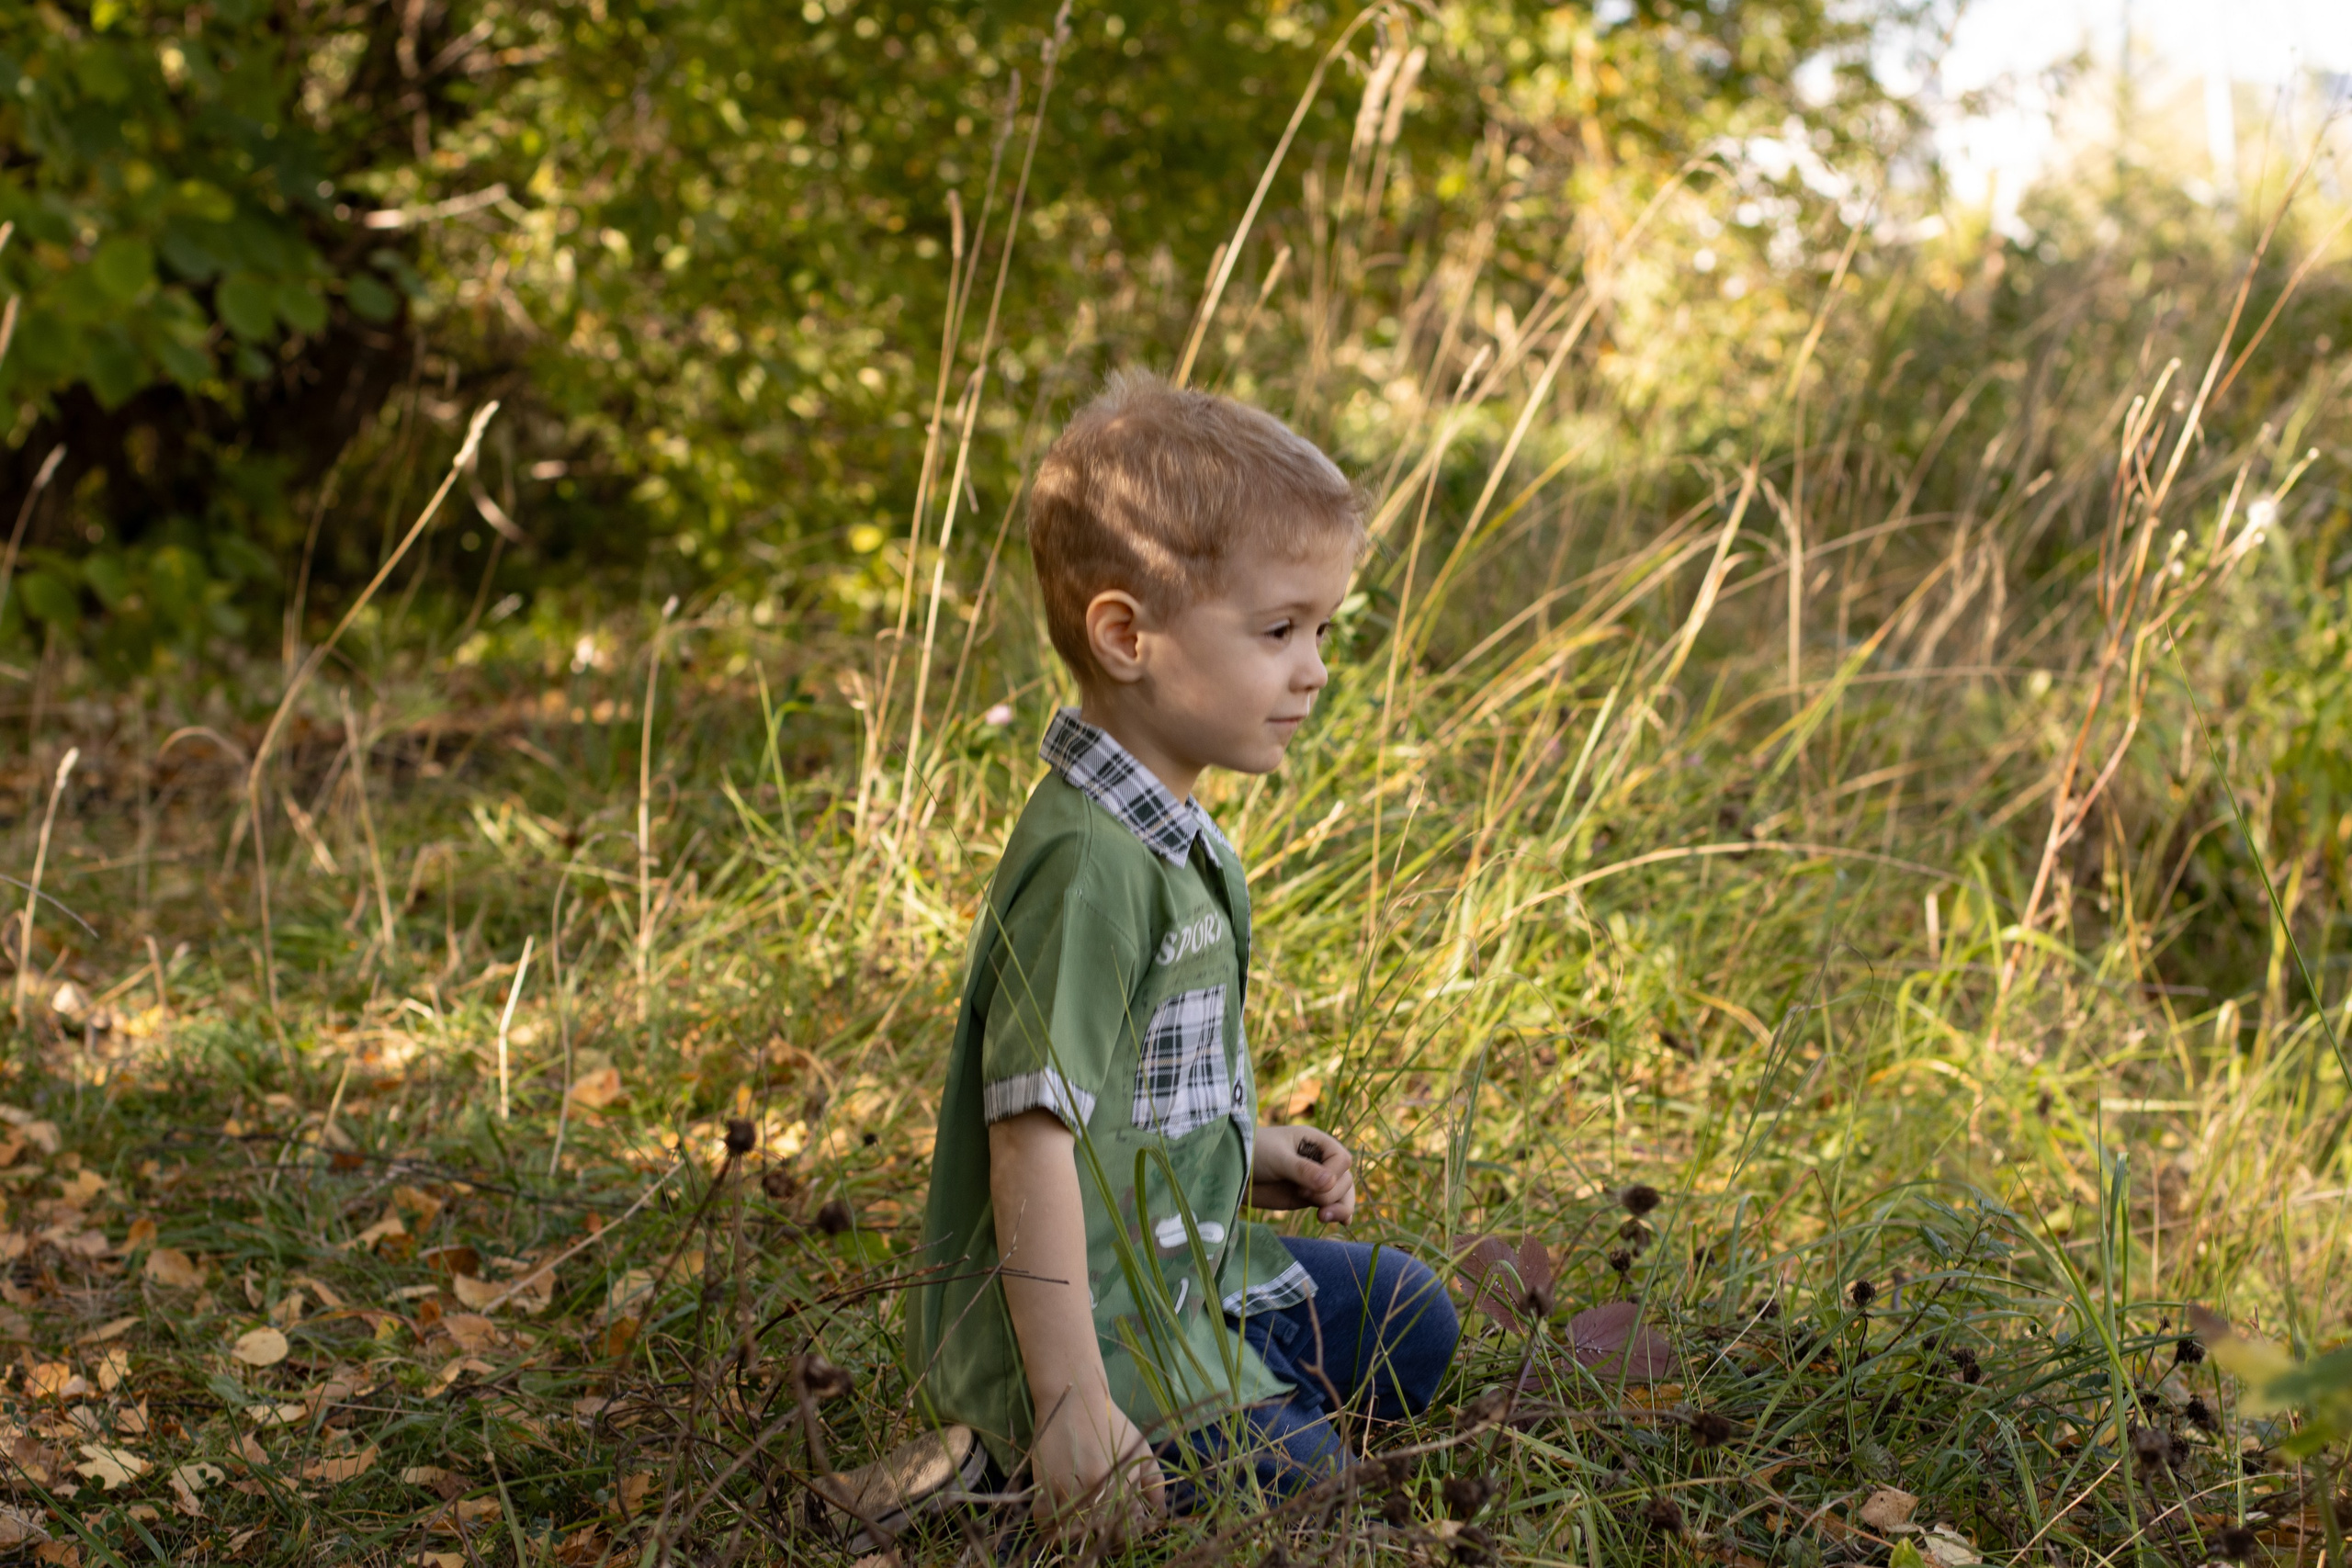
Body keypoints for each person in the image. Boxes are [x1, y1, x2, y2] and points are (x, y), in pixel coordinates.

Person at [901, 372, 1459, 1545]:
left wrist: (1245, 1150)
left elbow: (1127, 1098)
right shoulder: (1087, 867)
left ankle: (1230, 1412)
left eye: (1321, 631)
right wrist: (1069, 1403)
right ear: (1127, 635)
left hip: (1182, 1273)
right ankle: (1017, 1458)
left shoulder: (1177, 832)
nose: (1313, 669)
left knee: (1413, 1317)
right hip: (1094, 1328)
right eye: (1277, 631)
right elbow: (1034, 1137)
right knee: (1305, 1497)